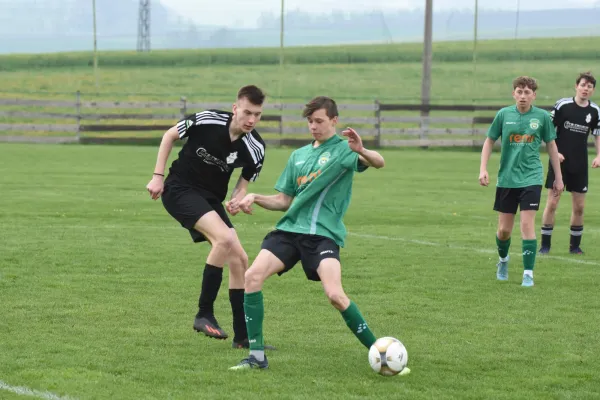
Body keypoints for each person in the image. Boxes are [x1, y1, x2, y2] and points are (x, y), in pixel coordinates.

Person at [227, 96, 386, 370]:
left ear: (334, 121)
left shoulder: (345, 149)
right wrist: (254, 197)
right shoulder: (298, 156)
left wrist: (362, 150)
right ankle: (256, 357)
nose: (314, 126)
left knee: (335, 295)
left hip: (323, 235)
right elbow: (284, 201)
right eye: (310, 121)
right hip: (289, 232)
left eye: (319, 121)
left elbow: (379, 162)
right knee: (252, 276)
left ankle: (380, 351)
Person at [146, 85, 270, 349]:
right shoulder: (207, 119)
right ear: (235, 108)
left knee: (240, 258)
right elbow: (169, 136)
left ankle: (243, 337)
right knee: (224, 239)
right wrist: (157, 177)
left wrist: (238, 199)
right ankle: (204, 313)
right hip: (180, 189)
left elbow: (242, 185)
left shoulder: (256, 147)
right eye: (247, 112)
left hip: (210, 199)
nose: (251, 120)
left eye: (257, 115)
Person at [479, 76, 564, 287]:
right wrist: (483, 169)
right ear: (513, 93)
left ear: (534, 95)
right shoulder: (503, 114)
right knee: (504, 231)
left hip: (532, 178)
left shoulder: (542, 117)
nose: (523, 96)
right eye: (519, 91)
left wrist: (559, 178)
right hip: (507, 179)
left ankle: (528, 273)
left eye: (527, 92)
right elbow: (489, 141)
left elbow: (552, 147)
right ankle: (503, 261)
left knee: (527, 225)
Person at [539, 72, 600, 255]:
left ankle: (575, 247)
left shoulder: (595, 111)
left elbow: (597, 134)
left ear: (593, 90)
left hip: (580, 163)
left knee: (579, 207)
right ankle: (545, 246)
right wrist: (555, 152)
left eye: (589, 86)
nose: (585, 89)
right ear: (576, 86)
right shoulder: (562, 105)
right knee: (553, 203)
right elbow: (547, 129)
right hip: (559, 163)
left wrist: (599, 155)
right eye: (583, 85)